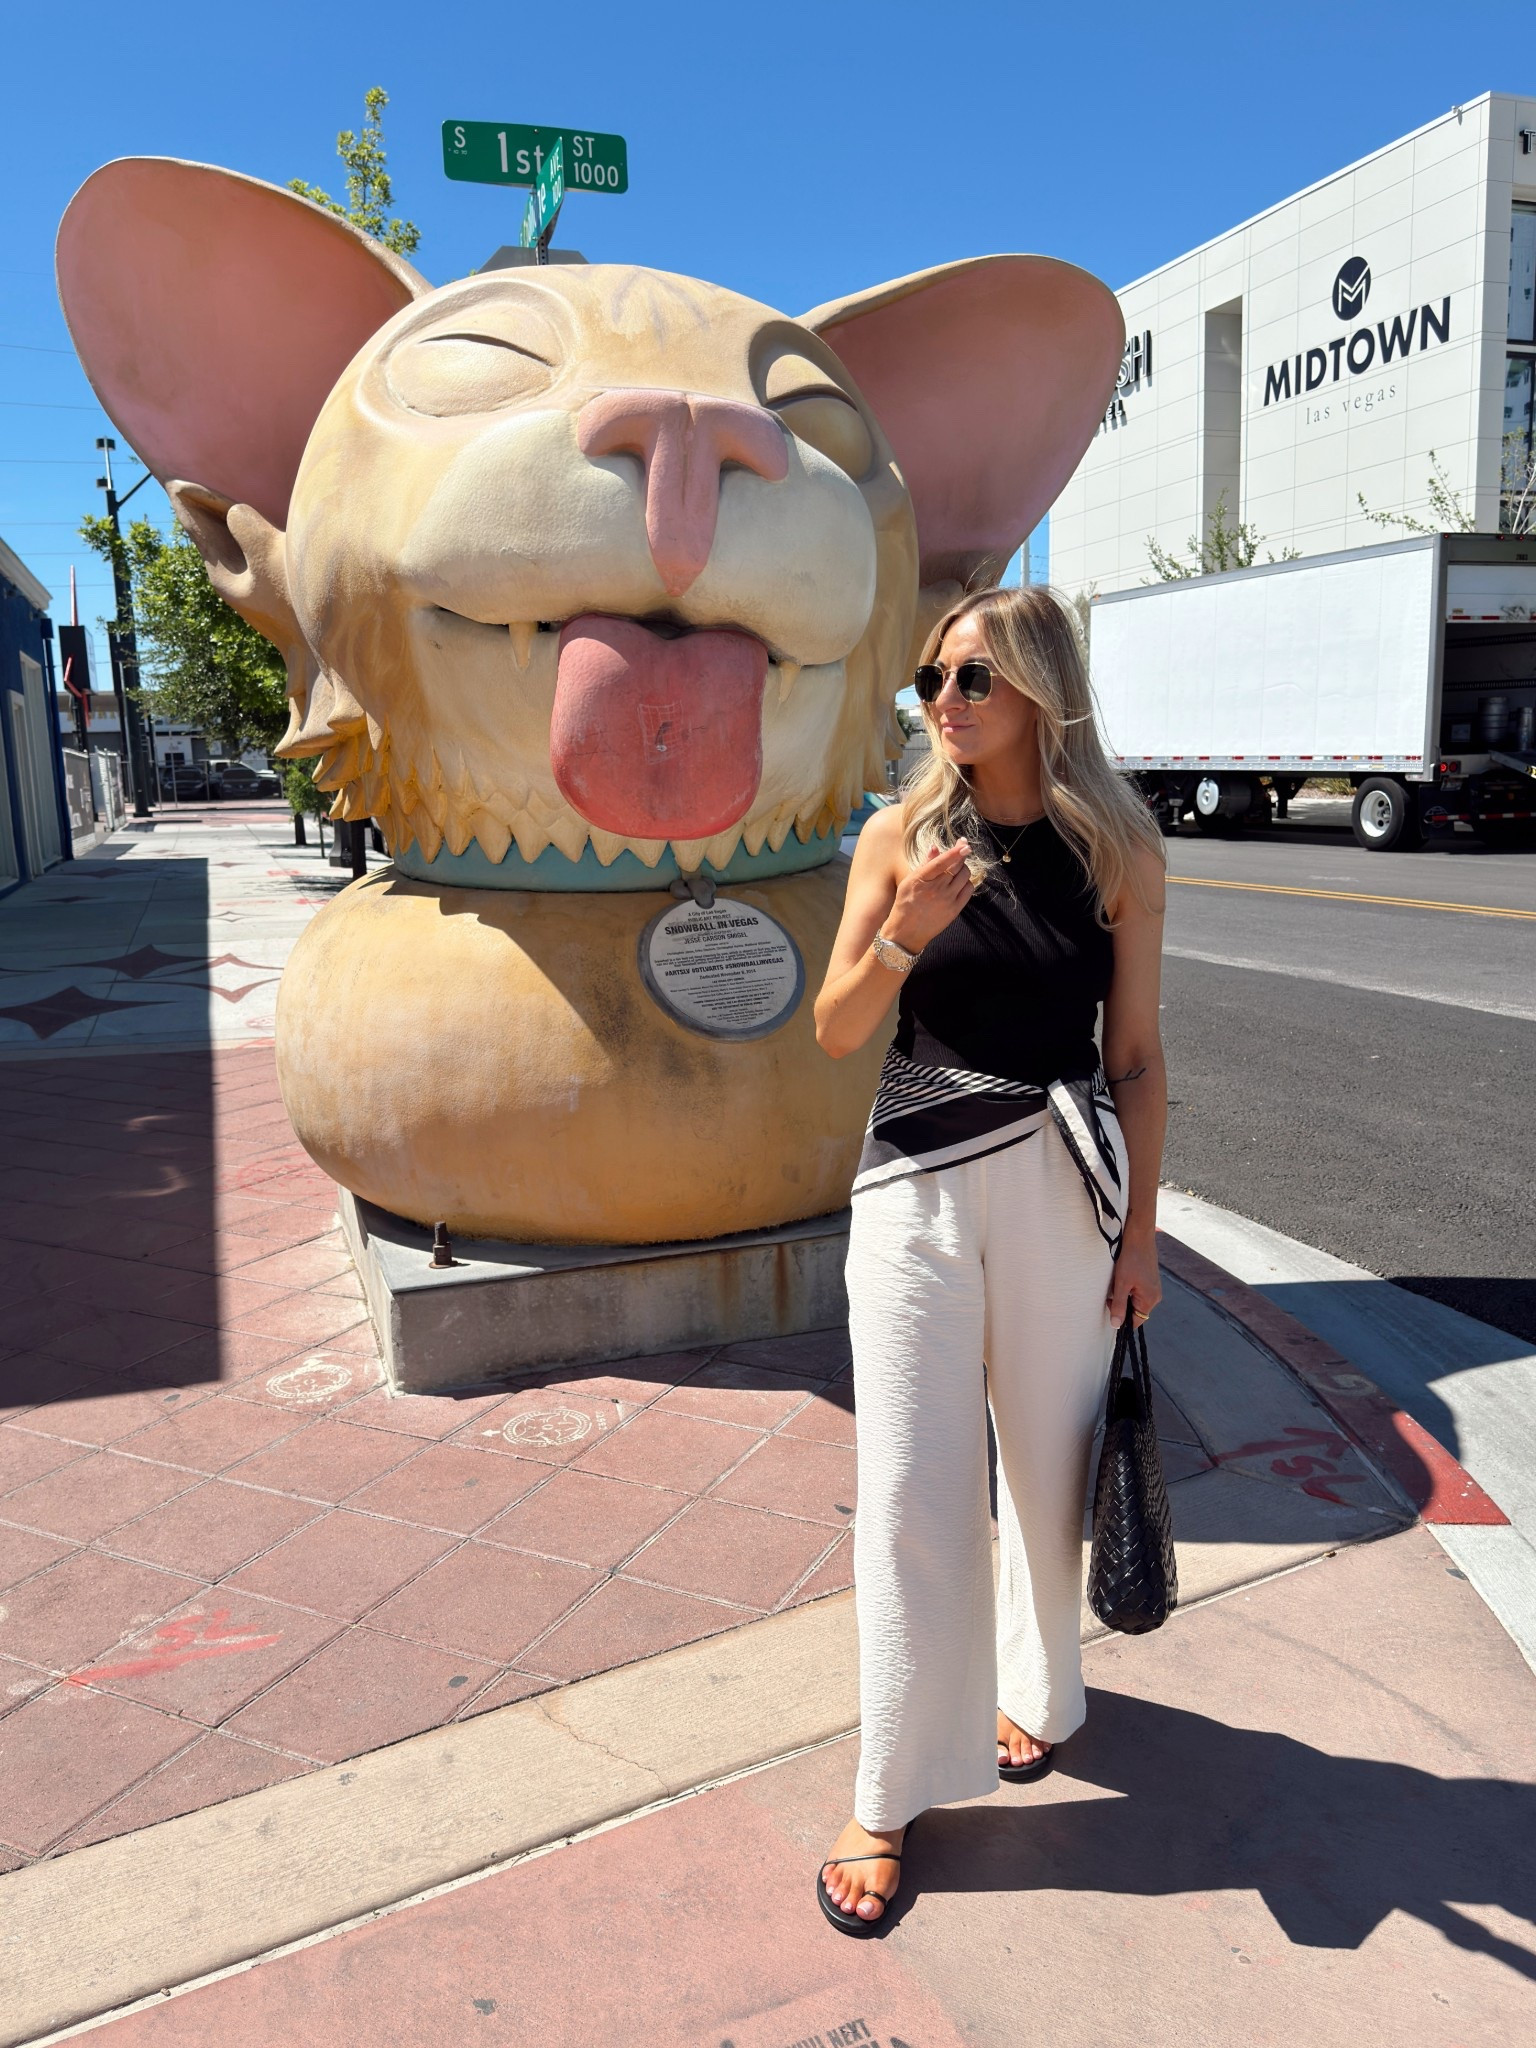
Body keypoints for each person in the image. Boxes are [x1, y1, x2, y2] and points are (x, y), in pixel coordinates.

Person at [811, 583, 1168, 1932]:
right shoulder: (900, 835)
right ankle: (888, 1786)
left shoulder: (1119, 848)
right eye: (931, 682)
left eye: (973, 681)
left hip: (1065, 1191)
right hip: (914, 1184)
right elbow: (841, 1031)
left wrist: (1141, 1238)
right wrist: (906, 921)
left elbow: (1134, 1055)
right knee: (908, 1486)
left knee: (1048, 1478)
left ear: (1041, 692)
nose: (944, 706)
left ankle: (1039, 1690)